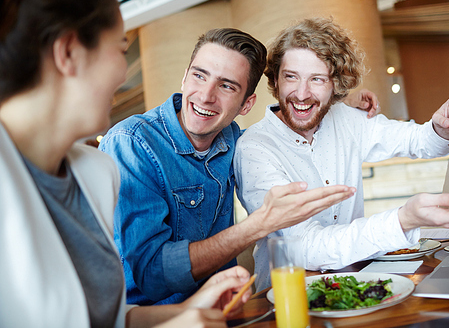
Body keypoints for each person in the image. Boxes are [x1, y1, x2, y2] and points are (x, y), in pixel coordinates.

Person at [0, 0, 257, 327]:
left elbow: (101, 318)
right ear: (69, 53)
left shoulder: (94, 172)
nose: (125, 74)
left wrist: (183, 311)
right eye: (122, 50)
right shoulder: (127, 143)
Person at [98, 26, 381, 305]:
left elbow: (281, 130)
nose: (206, 96)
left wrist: (334, 101)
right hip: (158, 320)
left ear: (246, 104)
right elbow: (152, 275)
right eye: (199, 75)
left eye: (226, 86)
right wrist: (257, 226)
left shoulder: (234, 140)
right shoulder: (132, 143)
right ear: (184, 78)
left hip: (230, 311)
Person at [233, 17, 449, 292]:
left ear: (335, 85)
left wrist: (444, 128)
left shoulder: (346, 118)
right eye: (291, 77)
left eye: (317, 79)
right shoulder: (254, 148)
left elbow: (416, 140)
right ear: (275, 79)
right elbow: (304, 247)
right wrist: (401, 220)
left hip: (355, 283)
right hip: (286, 300)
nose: (301, 94)